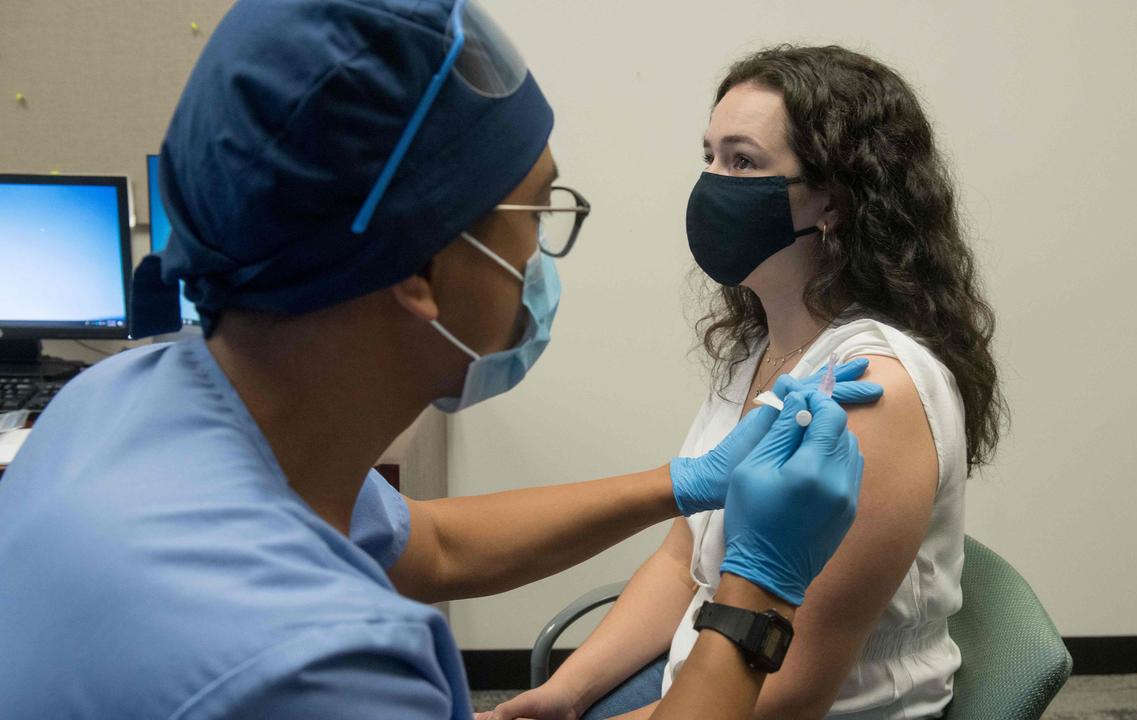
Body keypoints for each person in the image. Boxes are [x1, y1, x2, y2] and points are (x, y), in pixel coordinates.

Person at [0, 4, 885, 719]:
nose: (540, 255)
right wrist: (759, 592)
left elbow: (430, 544)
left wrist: (685, 482)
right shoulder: (318, 670)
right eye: (534, 213)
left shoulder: (118, 399)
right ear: (423, 268)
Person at [486, 45, 1006, 720]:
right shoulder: (760, 346)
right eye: (708, 155)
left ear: (835, 201)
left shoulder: (873, 391)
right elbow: (685, 562)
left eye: (743, 161)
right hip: (709, 671)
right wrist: (562, 695)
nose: (711, 183)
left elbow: (790, 690)